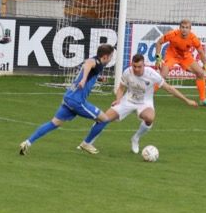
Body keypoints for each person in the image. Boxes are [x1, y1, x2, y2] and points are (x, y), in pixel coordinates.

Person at [69, 53, 197, 156]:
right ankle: (86, 143)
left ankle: (136, 138)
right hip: (127, 101)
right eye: (134, 66)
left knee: (149, 118)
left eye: (139, 67)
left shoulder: (152, 74)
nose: (136, 69)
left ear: (144, 65)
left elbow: (169, 88)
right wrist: (118, 99)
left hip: (145, 103)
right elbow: (121, 88)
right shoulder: (127, 72)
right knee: (104, 118)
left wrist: (187, 100)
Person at [18, 44, 115, 155]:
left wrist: (98, 78)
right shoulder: (96, 62)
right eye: (111, 56)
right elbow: (88, 64)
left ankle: (27, 142)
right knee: (104, 119)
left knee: (54, 123)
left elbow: (89, 68)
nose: (111, 59)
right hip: (77, 102)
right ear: (105, 57)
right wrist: (83, 80)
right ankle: (86, 143)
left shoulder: (97, 64)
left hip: (68, 98)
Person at [154, 19, 206, 107]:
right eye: (182, 27)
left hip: (185, 57)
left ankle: (203, 99)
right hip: (171, 56)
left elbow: (201, 52)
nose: (184, 29)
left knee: (200, 73)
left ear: (190, 29)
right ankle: (146, 95)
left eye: (187, 28)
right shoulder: (173, 34)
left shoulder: (193, 38)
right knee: (162, 75)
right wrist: (158, 59)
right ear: (179, 28)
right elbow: (159, 42)